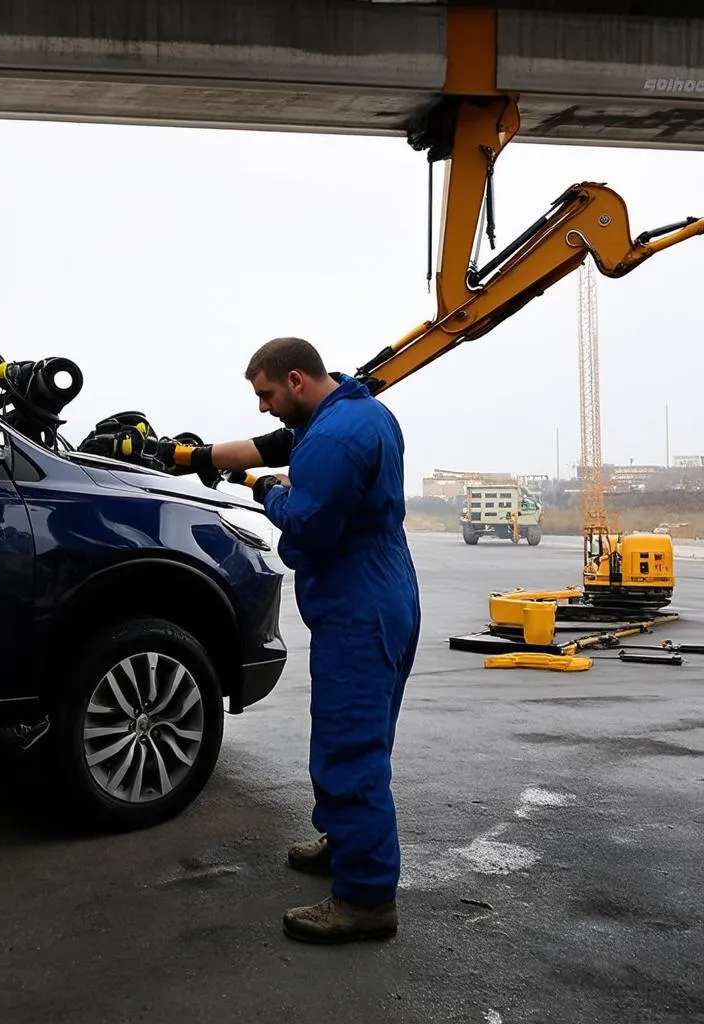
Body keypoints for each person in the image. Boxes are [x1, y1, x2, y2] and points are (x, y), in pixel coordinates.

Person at [157, 336, 421, 944]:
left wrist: (270, 492)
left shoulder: (329, 439)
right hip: (387, 592)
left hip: (358, 605)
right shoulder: (361, 411)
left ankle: (365, 899)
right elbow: (275, 447)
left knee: (349, 746)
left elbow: (308, 530)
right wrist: (195, 456)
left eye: (267, 394)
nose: (263, 407)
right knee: (358, 733)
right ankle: (343, 842)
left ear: (296, 380)